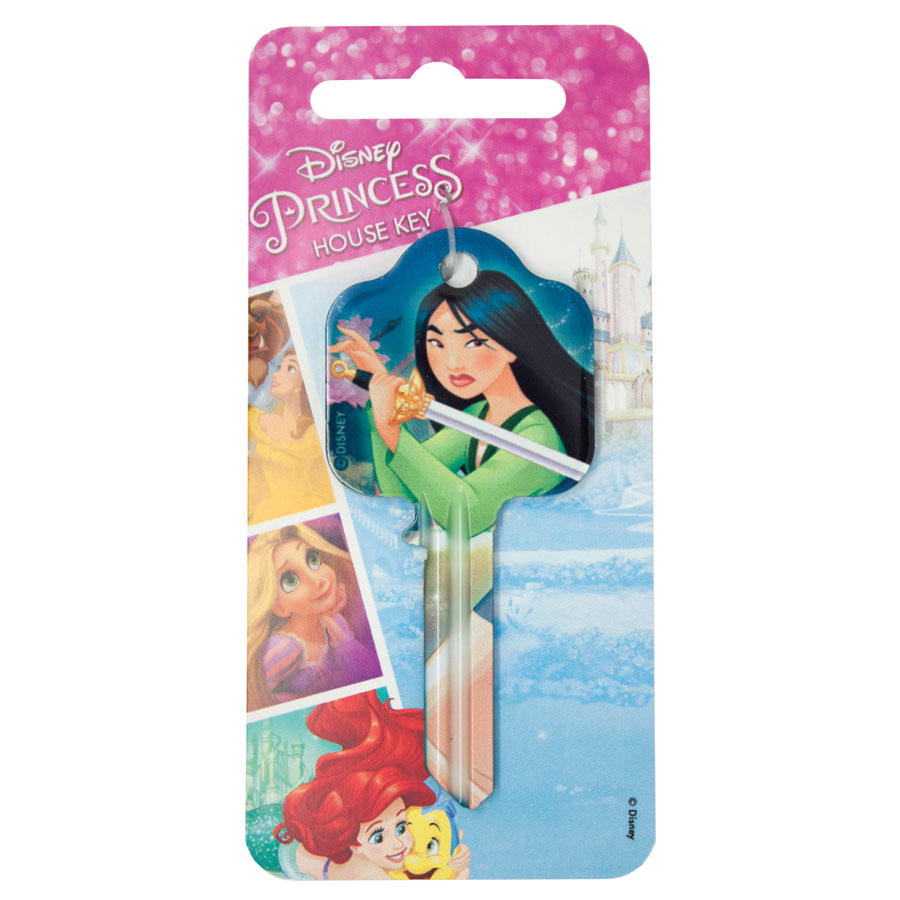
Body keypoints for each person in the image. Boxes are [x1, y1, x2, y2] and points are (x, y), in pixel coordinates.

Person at [329, 269, 593, 537]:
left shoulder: (538, 436)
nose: (453, 363)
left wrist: (391, 430)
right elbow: (402, 491)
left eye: (473, 341)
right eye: (436, 342)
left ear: (511, 342)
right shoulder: (478, 415)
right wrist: (380, 400)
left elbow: (466, 514)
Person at [275, 692, 471, 880]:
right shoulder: (366, 874)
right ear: (353, 844)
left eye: (402, 827)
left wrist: (453, 853)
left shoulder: (382, 857)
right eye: (377, 838)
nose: (398, 845)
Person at [247, 524, 380, 712]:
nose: (318, 580)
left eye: (313, 559)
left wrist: (332, 623)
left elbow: (371, 672)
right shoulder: (284, 648)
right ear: (279, 606)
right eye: (290, 580)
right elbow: (260, 703)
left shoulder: (335, 624)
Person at [248, 348, 333, 524]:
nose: (276, 374)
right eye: (280, 367)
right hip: (268, 514)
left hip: (309, 514)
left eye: (291, 368)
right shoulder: (262, 421)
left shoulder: (314, 435)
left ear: (304, 383)